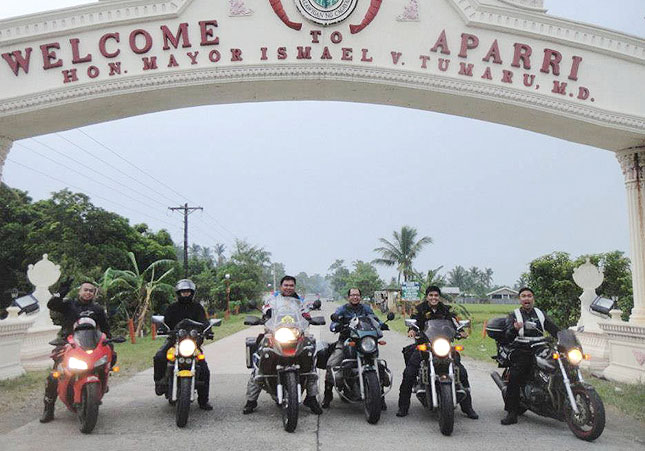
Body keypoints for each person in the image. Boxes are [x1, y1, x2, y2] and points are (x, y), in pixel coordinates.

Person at [242, 275, 323, 415]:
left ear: (294, 287)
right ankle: (251, 400)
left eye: (291, 285)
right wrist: (263, 319)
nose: (288, 288)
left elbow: (306, 316)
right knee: (260, 362)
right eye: (286, 285)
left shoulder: (300, 302)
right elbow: (266, 313)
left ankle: (311, 398)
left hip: (296, 336)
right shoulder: (272, 301)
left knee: (310, 362)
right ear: (281, 286)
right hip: (275, 334)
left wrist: (311, 319)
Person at [396, 285, 479, 419]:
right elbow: (414, 321)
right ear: (427, 297)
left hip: (444, 345)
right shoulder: (420, 309)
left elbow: (454, 321)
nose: (433, 298)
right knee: (409, 373)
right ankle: (403, 407)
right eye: (431, 295)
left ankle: (468, 407)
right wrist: (412, 329)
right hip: (425, 345)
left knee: (461, 372)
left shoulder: (445, 309)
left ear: (439, 297)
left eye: (436, 295)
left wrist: (460, 330)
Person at [40, 279, 112, 423]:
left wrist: (110, 345)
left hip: (90, 344)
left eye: (91, 291)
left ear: (94, 294)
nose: (88, 293)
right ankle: (48, 409)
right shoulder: (69, 304)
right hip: (67, 343)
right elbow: (52, 305)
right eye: (85, 289)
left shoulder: (97, 309)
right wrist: (61, 292)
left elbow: (105, 329)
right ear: (80, 291)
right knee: (54, 375)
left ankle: (97, 390)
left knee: (103, 364)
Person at [322, 287, 389, 409]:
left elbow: (374, 319)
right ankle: (328, 394)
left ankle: (380, 396)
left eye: (357, 295)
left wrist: (381, 324)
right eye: (352, 295)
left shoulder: (366, 308)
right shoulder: (342, 309)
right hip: (346, 341)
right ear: (348, 297)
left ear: (360, 297)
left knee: (378, 366)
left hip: (364, 341)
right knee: (331, 364)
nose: (355, 297)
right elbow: (334, 321)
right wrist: (336, 326)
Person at [501, 287, 559, 425]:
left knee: (558, 367)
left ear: (533, 298)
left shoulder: (540, 313)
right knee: (515, 375)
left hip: (541, 347)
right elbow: (507, 337)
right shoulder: (514, 315)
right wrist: (514, 329)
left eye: (529, 296)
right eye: (523, 296)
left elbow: (554, 329)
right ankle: (512, 412)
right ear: (520, 299)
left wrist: (565, 336)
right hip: (522, 348)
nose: (526, 298)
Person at [153, 279, 213, 410]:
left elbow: (204, 322)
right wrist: (162, 328)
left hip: (193, 342)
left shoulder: (198, 307)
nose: (185, 294)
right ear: (178, 293)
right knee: (159, 356)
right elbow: (165, 322)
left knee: (204, 369)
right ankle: (159, 382)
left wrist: (209, 331)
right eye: (183, 292)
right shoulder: (172, 307)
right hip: (174, 340)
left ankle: (203, 401)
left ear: (192, 293)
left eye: (188, 292)